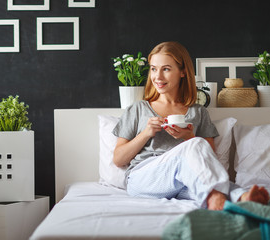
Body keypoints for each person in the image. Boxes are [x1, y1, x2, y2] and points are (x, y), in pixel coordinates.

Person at [112, 41, 269, 210]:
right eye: (153, 68)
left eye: (166, 69)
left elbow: (210, 161)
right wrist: (145, 133)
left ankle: (242, 197)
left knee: (201, 176)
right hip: (145, 178)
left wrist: (188, 137)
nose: (157, 76)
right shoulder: (138, 108)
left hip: (182, 180)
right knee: (197, 148)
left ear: (183, 72)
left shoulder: (198, 112)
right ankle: (219, 198)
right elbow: (118, 159)